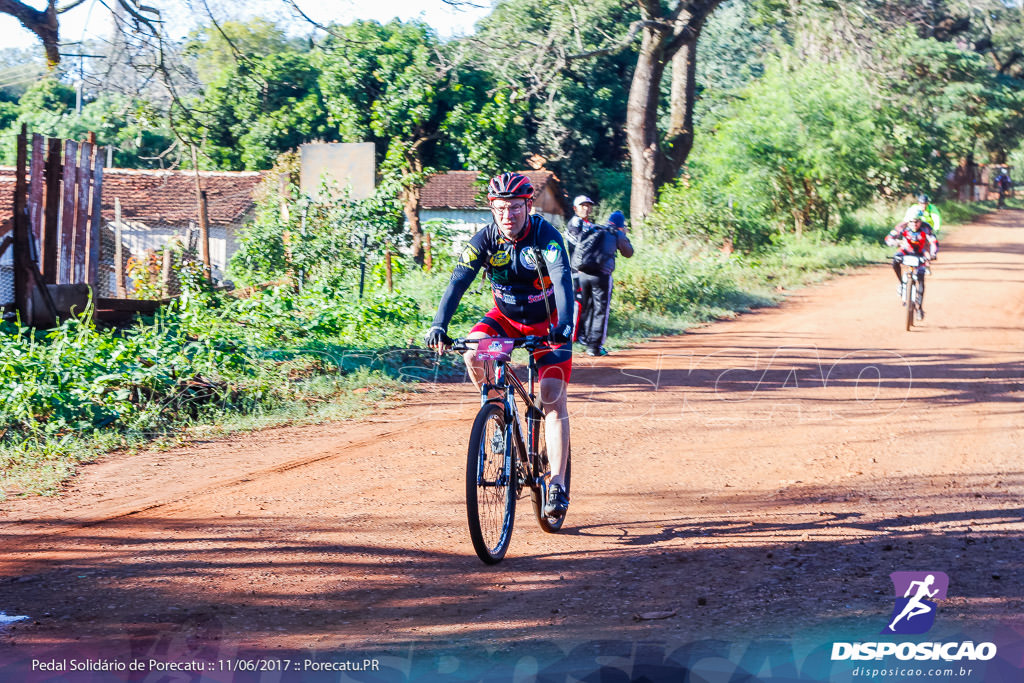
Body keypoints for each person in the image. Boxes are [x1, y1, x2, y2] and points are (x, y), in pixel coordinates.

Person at [424, 172, 575, 518]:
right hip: (505, 318)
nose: (508, 216)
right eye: (500, 208)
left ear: (528, 206)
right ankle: (496, 412)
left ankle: (557, 485)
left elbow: (564, 280)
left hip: (550, 323)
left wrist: (564, 326)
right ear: (492, 208)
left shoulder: (546, 236)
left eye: (515, 208)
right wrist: (439, 325)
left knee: (551, 397)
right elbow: (457, 282)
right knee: (474, 352)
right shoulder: (484, 240)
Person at [573, 210, 634, 356]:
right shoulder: (616, 233)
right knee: (600, 310)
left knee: (587, 308)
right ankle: (594, 347)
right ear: (620, 225)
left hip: (583, 274)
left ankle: (586, 340)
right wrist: (623, 234)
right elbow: (628, 252)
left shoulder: (595, 229)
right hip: (601, 276)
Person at [885, 212, 937, 317]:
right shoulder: (901, 227)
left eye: (917, 221)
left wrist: (933, 253)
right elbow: (889, 238)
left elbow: (934, 242)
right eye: (911, 222)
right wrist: (896, 242)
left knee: (921, 278)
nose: (914, 224)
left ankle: (919, 308)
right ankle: (901, 283)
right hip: (906, 250)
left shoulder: (926, 228)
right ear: (908, 221)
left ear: (920, 221)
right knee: (895, 261)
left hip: (921, 252)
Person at [565, 195, 597, 338]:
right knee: (578, 302)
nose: (586, 208)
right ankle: (574, 335)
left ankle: (583, 333)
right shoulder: (574, 223)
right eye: (583, 205)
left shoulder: (589, 224)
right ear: (575, 208)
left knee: (588, 302)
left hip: (589, 271)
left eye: (588, 205)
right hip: (577, 270)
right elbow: (579, 243)